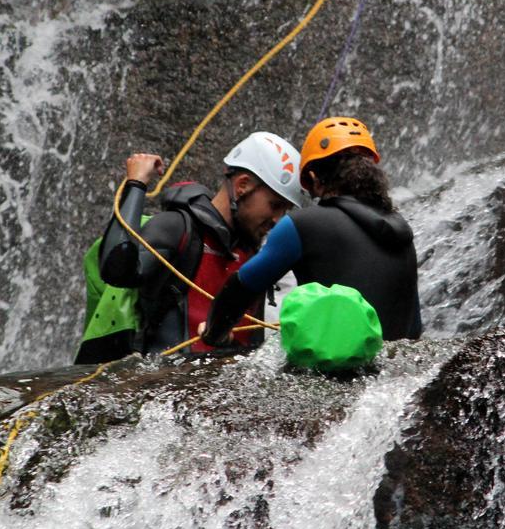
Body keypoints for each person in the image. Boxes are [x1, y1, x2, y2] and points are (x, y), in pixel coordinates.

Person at [74, 132, 306, 364]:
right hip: (161, 388)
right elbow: (117, 270)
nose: (278, 219)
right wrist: (136, 185)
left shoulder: (258, 256)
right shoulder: (177, 229)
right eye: (275, 205)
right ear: (242, 185)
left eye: (285, 210)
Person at [200, 117, 423, 348]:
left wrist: (214, 333)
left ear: (314, 178)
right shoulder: (402, 233)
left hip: (335, 370)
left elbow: (242, 287)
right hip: (395, 374)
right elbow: (414, 328)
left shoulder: (303, 225)